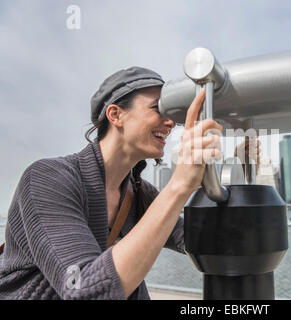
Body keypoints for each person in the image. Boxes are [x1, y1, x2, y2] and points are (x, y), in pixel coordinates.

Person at [0, 66, 245, 300]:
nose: (170, 123)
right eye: (157, 109)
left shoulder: (139, 193)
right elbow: (84, 290)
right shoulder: (48, 178)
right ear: (116, 115)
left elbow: (198, 239)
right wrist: (179, 186)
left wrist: (237, 172)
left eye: (171, 115)